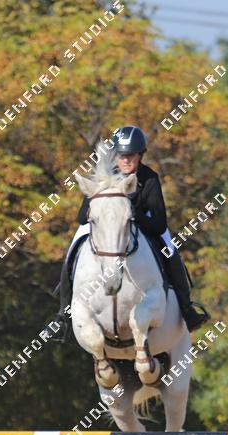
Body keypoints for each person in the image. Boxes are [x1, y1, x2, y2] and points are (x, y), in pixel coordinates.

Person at [51, 125, 210, 334]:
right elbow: (82, 217)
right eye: (121, 155)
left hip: (144, 225)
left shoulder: (149, 178)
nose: (125, 160)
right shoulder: (104, 176)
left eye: (131, 155)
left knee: (170, 249)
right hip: (103, 227)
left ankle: (187, 309)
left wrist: (132, 213)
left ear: (140, 155)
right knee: (73, 248)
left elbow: (160, 223)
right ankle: (63, 316)